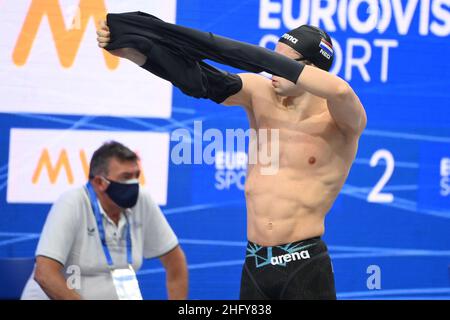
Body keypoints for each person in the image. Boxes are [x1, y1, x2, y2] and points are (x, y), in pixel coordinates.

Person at [96, 12, 367, 300]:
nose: (271, 71)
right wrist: (134, 51)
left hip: (304, 264)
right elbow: (200, 80)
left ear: (313, 69)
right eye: (271, 60)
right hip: (255, 262)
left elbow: (340, 90)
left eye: (281, 63)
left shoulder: (340, 120)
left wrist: (268, 61)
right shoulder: (261, 93)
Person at [21, 141, 188, 300]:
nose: (134, 183)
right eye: (125, 177)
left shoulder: (142, 201)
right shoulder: (72, 202)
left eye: (137, 175)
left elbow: (176, 262)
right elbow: (45, 273)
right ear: (100, 182)